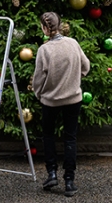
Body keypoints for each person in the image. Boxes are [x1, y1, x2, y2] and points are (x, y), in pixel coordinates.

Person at [32, 11, 90, 197]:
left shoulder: (44, 50)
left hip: (50, 101)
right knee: (70, 138)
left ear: (45, 28)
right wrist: (74, 80)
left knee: (48, 136)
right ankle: (69, 182)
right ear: (59, 24)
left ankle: (52, 174)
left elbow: (38, 79)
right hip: (73, 99)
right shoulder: (73, 43)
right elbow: (86, 66)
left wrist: (39, 94)